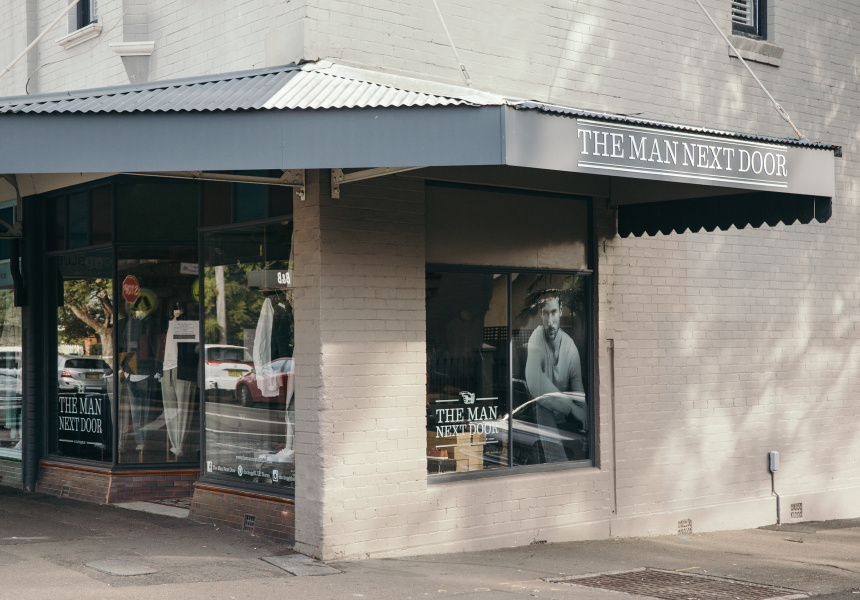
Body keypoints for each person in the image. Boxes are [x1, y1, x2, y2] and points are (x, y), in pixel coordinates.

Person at [524, 295, 586, 462]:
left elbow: (579, 393)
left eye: (553, 313)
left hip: (561, 417)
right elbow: (535, 381)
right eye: (545, 313)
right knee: (542, 404)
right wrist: (572, 409)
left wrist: (586, 421)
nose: (550, 321)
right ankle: (558, 463)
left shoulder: (570, 347)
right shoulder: (537, 337)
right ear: (540, 314)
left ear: (560, 312)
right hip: (536, 413)